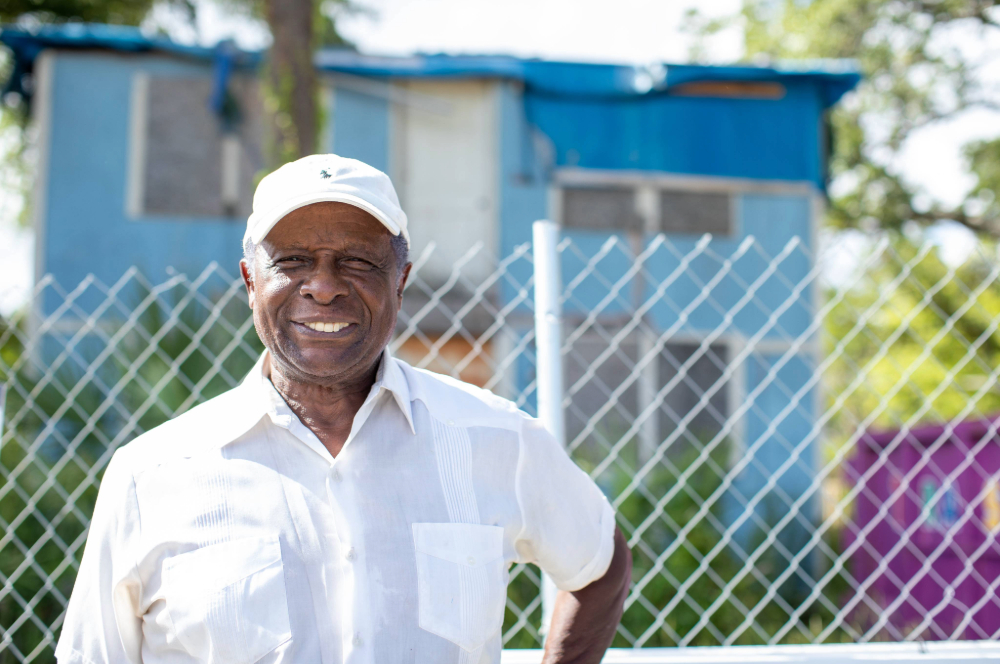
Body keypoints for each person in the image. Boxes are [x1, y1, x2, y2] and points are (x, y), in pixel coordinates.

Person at [56, 154, 632, 664]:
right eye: (294, 260)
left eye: (357, 261)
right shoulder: (150, 476)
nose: (324, 287)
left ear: (400, 282)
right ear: (250, 282)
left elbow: (600, 564)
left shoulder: (497, 439)